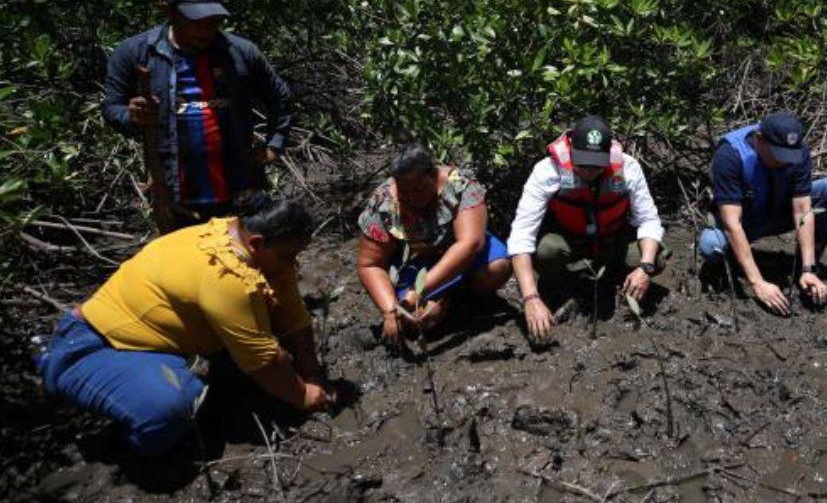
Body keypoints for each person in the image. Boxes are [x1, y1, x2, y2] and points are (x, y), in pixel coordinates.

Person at [35, 198, 333, 456]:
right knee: (173, 407)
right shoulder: (227, 275)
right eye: (288, 256)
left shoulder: (240, 237)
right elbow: (264, 361)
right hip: (96, 346)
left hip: (158, 341)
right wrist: (303, 395)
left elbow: (293, 315)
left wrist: (312, 373)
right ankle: (118, 435)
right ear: (256, 244)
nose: (293, 265)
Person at [102, 0, 294, 229]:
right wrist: (131, 115)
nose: (207, 28)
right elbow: (111, 107)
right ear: (168, 12)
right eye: (196, 20)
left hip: (240, 190)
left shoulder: (240, 52)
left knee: (246, 262)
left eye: (213, 19)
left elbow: (280, 97)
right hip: (175, 195)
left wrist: (275, 144)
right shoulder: (135, 53)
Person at [509, 116, 666, 342]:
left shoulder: (628, 167)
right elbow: (521, 236)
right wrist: (530, 298)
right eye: (583, 163)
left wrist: (645, 266)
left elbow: (648, 220)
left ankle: (616, 280)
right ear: (571, 150)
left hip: (612, 241)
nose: (590, 170)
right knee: (547, 251)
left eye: (597, 164)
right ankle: (564, 288)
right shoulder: (547, 172)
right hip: (570, 241)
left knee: (656, 258)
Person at [357, 140, 511, 340]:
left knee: (497, 268)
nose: (412, 198)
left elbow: (471, 243)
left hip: (461, 256)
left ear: (434, 175)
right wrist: (390, 311)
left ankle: (455, 295)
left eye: (419, 189)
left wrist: (417, 292)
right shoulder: (383, 203)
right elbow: (370, 264)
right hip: (416, 262)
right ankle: (446, 299)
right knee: (415, 319)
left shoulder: (459, 185)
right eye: (405, 192)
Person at [697, 112, 827, 313]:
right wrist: (758, 283)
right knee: (710, 245)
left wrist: (808, 269)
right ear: (759, 140)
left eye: (789, 156)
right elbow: (732, 224)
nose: (786, 162)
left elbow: (803, 209)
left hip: (778, 212)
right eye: (779, 155)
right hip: (746, 221)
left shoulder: (797, 149)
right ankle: (736, 266)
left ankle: (804, 271)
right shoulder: (730, 155)